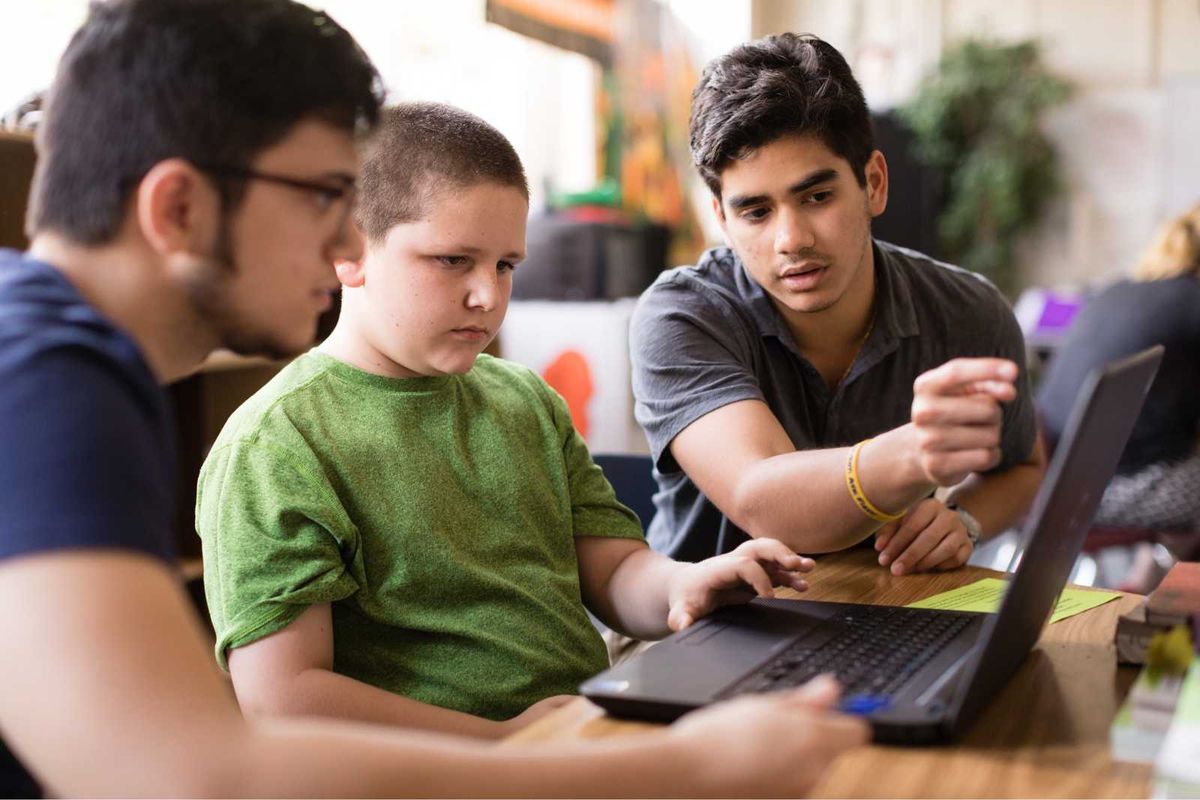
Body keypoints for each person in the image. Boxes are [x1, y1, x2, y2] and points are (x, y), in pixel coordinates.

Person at [0, 3, 869, 796]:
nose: (348, 240)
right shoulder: (42, 378)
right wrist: (683, 767)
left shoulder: (64, 367)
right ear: (180, 207)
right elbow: (194, 774)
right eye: (324, 198)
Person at [196, 100, 832, 738]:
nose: (489, 295)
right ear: (349, 251)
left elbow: (613, 572)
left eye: (506, 265)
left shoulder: (524, 399)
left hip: (582, 740)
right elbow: (284, 701)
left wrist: (683, 585)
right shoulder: (276, 445)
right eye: (453, 261)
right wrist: (505, 742)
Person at [629, 33, 1045, 574]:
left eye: (817, 197)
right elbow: (764, 501)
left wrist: (963, 518)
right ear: (722, 219)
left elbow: (1023, 466)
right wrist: (918, 451)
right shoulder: (682, 315)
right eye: (756, 212)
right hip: (705, 634)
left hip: (886, 616)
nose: (791, 239)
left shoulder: (968, 312)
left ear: (872, 183)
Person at [1037, 204, 1200, 589]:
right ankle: (1177, 604)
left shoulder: (1119, 288)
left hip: (1044, 475)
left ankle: (1152, 577)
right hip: (1099, 493)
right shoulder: (1193, 304)